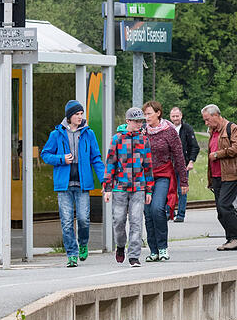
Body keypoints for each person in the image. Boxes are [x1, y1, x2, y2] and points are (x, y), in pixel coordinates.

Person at [40, 99, 106, 268]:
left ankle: (83, 243)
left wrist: (105, 180)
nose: (80, 116)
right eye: (77, 114)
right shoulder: (57, 134)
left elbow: (96, 158)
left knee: (84, 219)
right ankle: (71, 254)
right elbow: (45, 155)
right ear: (69, 116)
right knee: (67, 221)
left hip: (83, 184)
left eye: (81, 114)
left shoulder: (88, 133)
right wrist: (61, 159)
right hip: (64, 185)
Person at [103, 108, 154, 267]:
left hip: (139, 187)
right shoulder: (117, 139)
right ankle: (120, 245)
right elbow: (110, 163)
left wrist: (149, 189)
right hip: (120, 187)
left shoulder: (144, 139)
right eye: (136, 121)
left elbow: (148, 165)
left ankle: (134, 256)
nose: (139, 124)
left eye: (141, 121)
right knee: (118, 221)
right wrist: (107, 187)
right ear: (128, 122)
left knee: (136, 221)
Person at [142, 101, 187, 262]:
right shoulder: (142, 132)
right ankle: (153, 250)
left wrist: (184, 181)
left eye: (149, 114)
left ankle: (162, 248)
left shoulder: (169, 132)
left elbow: (179, 156)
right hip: (146, 178)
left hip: (163, 175)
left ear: (158, 113)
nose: (146, 117)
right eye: (145, 114)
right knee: (147, 213)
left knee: (157, 209)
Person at [202, 104, 237, 251]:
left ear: (216, 115)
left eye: (207, 119)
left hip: (231, 173)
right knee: (221, 211)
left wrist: (217, 154)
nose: (206, 123)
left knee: (224, 205)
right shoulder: (212, 131)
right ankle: (231, 239)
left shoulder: (232, 128)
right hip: (216, 175)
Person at [170, 106, 200, 222]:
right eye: (173, 116)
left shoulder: (187, 129)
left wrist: (191, 161)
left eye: (177, 116)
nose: (175, 118)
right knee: (169, 189)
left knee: (182, 190)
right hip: (169, 165)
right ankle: (170, 212)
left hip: (183, 164)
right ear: (170, 117)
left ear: (181, 116)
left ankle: (181, 215)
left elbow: (194, 147)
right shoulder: (168, 128)